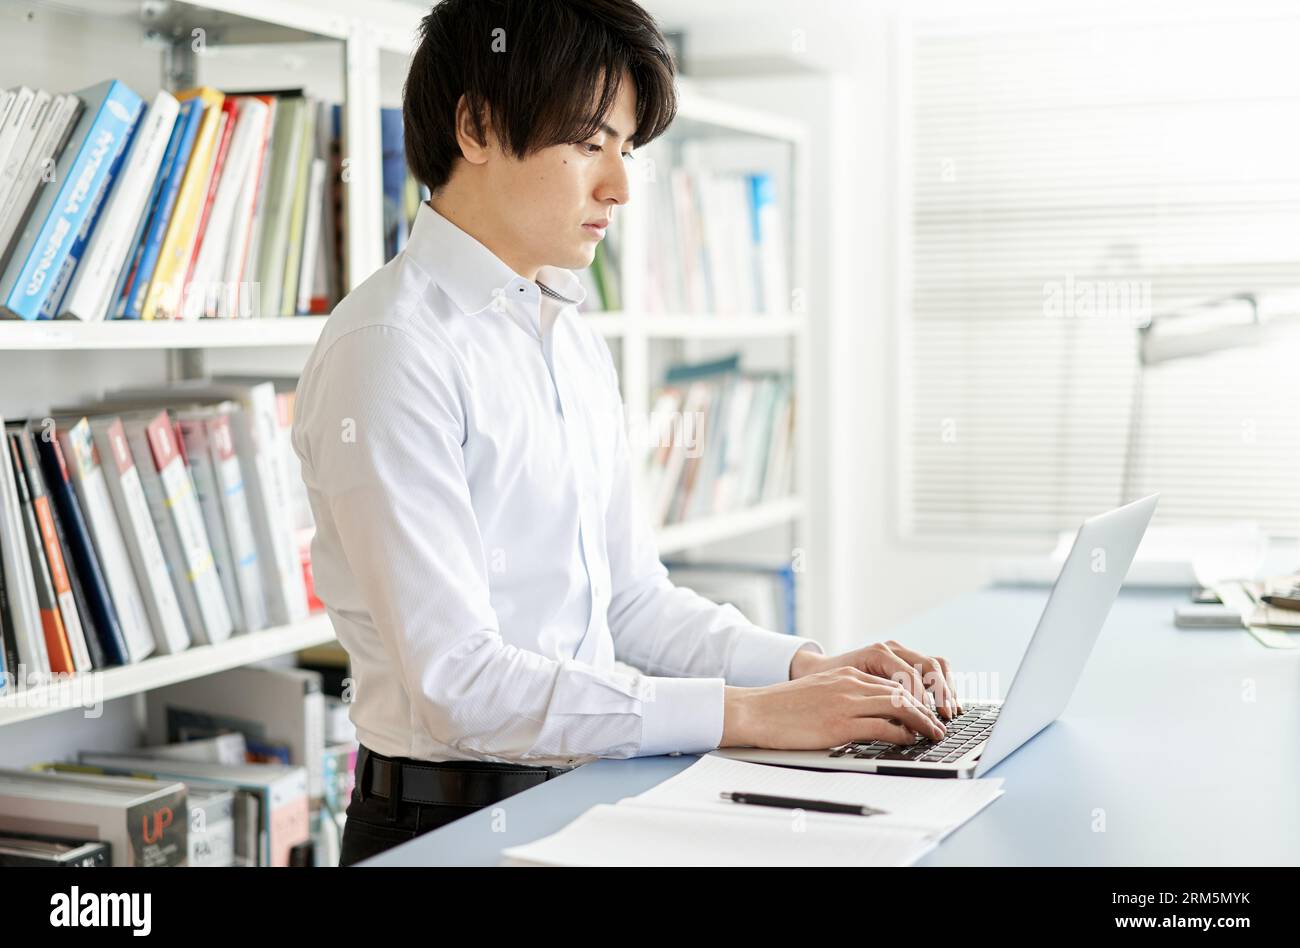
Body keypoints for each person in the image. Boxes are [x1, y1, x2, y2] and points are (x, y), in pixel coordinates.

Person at [291, 0, 961, 867]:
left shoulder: (566, 332)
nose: (620, 186)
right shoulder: (389, 349)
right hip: (446, 828)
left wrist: (804, 668)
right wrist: (747, 713)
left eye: (629, 149)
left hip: (589, 795)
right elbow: (459, 683)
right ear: (478, 125)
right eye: (591, 143)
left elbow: (629, 602)